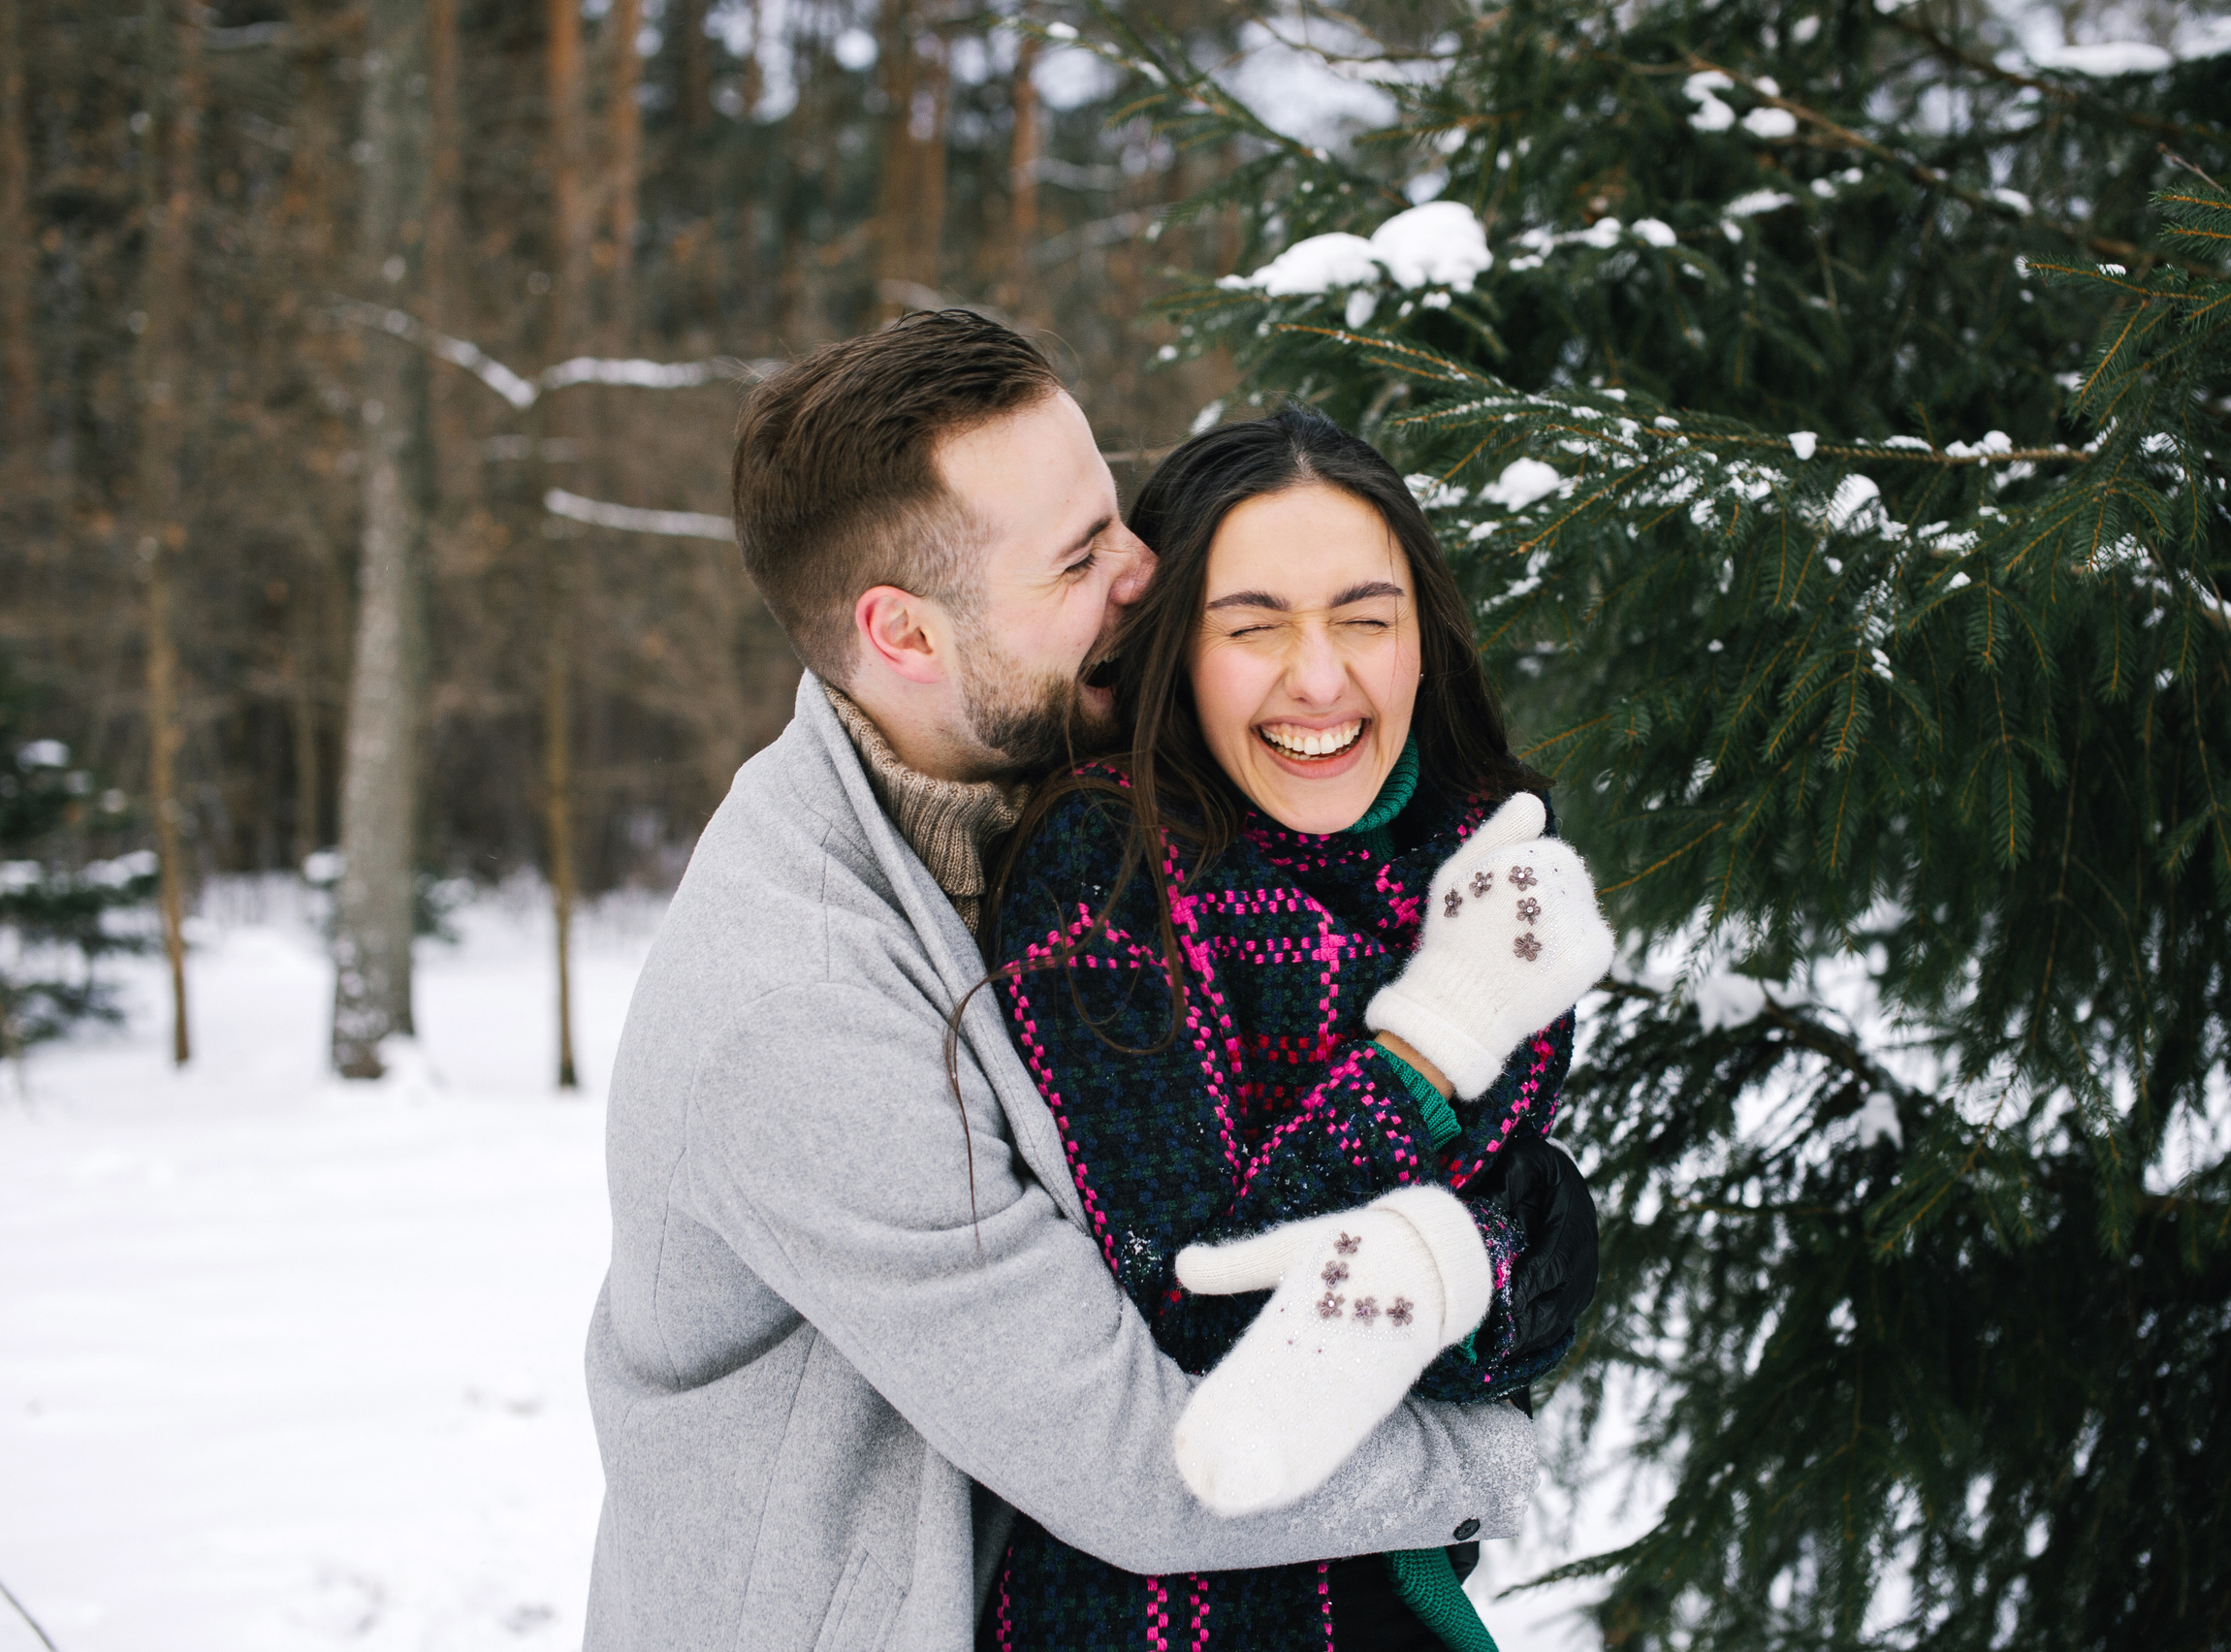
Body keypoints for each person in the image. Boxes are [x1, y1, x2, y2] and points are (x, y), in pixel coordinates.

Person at [582, 312, 1593, 1652]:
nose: (1141, 572)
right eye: (1079, 557)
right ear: (905, 635)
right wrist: (1486, 1459)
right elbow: (1144, 1464)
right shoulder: (794, 1013)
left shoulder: (1065, 797)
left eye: (1116, 515)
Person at [978, 409, 1613, 1651]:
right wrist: (1431, 1046)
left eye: (1365, 620)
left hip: (1397, 1588)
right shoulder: (1104, 868)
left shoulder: (1479, 864)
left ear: (1421, 643)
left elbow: (1520, 1287)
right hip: (1156, 1614)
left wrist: (1468, 1276)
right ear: (1174, 649)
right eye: (1252, 624)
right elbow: (1197, 1317)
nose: (1318, 680)